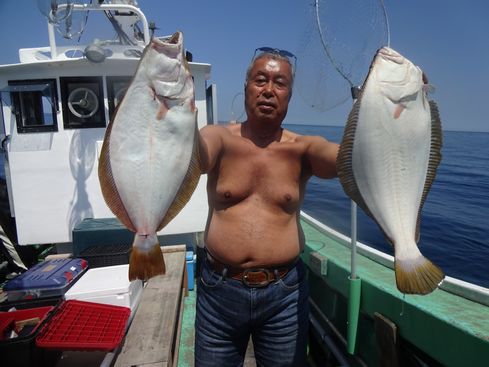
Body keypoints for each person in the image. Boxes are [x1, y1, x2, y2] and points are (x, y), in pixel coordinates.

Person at [196, 47, 339, 366]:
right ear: (246, 86)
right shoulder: (219, 137)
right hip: (218, 290)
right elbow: (198, 157)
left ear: (289, 94)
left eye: (280, 83)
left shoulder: (303, 148)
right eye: (260, 80)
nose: (269, 90)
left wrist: (391, 106)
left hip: (284, 294)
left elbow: (343, 159)